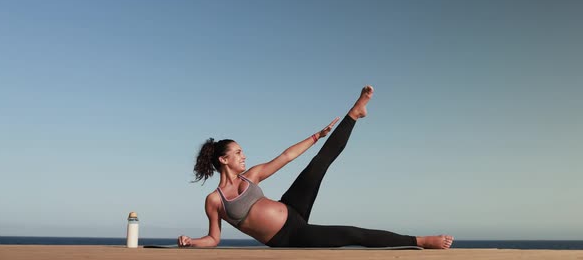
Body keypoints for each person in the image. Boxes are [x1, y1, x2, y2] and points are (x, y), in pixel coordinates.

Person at [178, 86, 453, 249]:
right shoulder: (215, 201)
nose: (243, 156)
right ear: (223, 160)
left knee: (319, 163)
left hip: (292, 208)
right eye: (238, 153)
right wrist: (192, 242)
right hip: (290, 236)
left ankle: (354, 113)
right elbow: (214, 239)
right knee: (351, 233)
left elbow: (286, 157)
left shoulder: (251, 177)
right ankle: (421, 240)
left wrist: (315, 137)